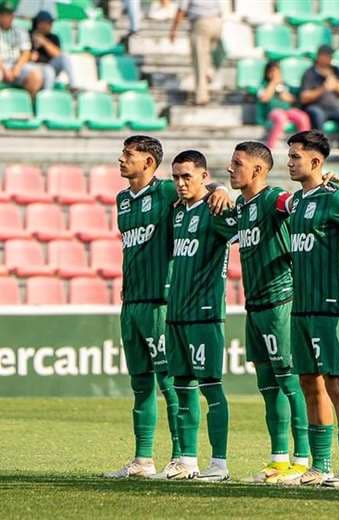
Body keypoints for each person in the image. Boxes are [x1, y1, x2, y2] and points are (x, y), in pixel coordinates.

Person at [104, 136, 232, 480]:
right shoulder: (122, 200)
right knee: (140, 383)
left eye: (128, 155)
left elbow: (200, 188)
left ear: (148, 162)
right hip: (131, 302)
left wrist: (221, 188)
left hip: (162, 304)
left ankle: (181, 457)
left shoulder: (166, 194)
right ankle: (143, 459)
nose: (121, 159)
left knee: (171, 382)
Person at [284, 130, 339, 487]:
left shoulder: (337, 198)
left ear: (316, 162)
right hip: (301, 306)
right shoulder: (297, 202)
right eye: (289, 156)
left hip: (331, 307)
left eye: (295, 157)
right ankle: (320, 465)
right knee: (308, 383)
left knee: (337, 384)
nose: (289, 162)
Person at [227, 141, 311, 485]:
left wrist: (322, 185)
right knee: (267, 385)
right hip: (255, 304)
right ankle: (279, 460)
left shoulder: (273, 198)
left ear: (258, 170)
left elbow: (298, 202)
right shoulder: (240, 205)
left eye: (237, 164)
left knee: (291, 382)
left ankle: (304, 460)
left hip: (281, 303)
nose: (231, 169)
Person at [160, 150, 238, 482]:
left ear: (204, 177)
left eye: (186, 176)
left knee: (211, 387)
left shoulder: (216, 208)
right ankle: (187, 460)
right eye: (176, 176)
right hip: (176, 312)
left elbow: (244, 237)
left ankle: (219, 464)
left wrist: (225, 191)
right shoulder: (177, 212)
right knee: (181, 387)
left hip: (205, 313)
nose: (180, 183)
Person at [299, 45, 339, 150]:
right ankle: (321, 150)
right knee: (317, 115)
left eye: (331, 56)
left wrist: (335, 83)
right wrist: (323, 88)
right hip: (317, 107)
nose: (330, 58)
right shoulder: (310, 73)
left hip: (335, 108)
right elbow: (304, 97)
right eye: (327, 55)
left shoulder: (335, 70)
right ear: (319, 56)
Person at [170, 0, 222, 106]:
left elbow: (181, 9)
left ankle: (201, 96)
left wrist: (173, 30)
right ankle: (209, 72)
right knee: (208, 54)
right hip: (217, 23)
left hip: (201, 23)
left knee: (199, 60)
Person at [257, 61, 311, 150]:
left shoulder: (284, 85)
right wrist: (273, 84)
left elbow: (292, 99)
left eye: (277, 72)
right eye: (272, 72)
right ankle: (271, 147)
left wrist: (286, 95)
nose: (274, 74)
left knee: (303, 117)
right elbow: (264, 98)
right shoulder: (264, 85)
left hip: (287, 110)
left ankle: (304, 147)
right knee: (281, 118)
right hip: (273, 112)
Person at [0, 3, 43, 97]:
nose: (6, 17)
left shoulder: (20, 31)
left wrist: (17, 68)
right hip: (1, 66)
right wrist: (4, 69)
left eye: (9, 14)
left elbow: (26, 52)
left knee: (36, 74)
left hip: (16, 64)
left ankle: (26, 105)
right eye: (3, 15)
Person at [29, 10, 75, 90]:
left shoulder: (54, 37)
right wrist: (30, 55)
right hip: (35, 68)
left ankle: (73, 86)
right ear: (39, 24)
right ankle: (46, 97)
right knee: (48, 70)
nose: (49, 25)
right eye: (46, 23)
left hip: (50, 65)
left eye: (50, 23)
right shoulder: (29, 35)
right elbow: (24, 54)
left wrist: (44, 42)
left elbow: (57, 54)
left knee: (64, 56)